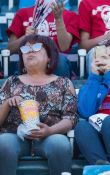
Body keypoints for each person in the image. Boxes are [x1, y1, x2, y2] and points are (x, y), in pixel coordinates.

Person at [0, 34, 78, 175]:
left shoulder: (64, 83)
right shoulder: (11, 82)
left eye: (36, 47)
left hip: (50, 135)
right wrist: (7, 104)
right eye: (25, 49)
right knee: (3, 142)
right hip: (15, 136)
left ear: (49, 56)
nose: (29, 51)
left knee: (60, 144)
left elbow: (70, 118)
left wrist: (50, 131)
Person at [6, 1, 79, 77]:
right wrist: (25, 37)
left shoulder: (70, 15)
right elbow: (10, 49)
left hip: (57, 60)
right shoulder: (23, 13)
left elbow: (64, 47)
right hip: (30, 56)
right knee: (27, 60)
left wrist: (59, 19)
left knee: (60, 62)